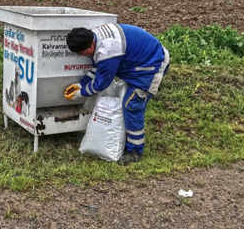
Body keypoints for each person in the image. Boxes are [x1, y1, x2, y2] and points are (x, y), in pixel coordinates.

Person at [64, 24, 169, 165]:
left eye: (81, 53)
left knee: (131, 106)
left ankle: (135, 150)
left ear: (90, 47)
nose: (80, 56)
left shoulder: (108, 51)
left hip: (150, 66)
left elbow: (101, 83)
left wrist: (81, 93)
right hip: (139, 60)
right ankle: (127, 140)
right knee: (129, 105)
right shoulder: (94, 37)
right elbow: (98, 67)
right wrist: (82, 84)